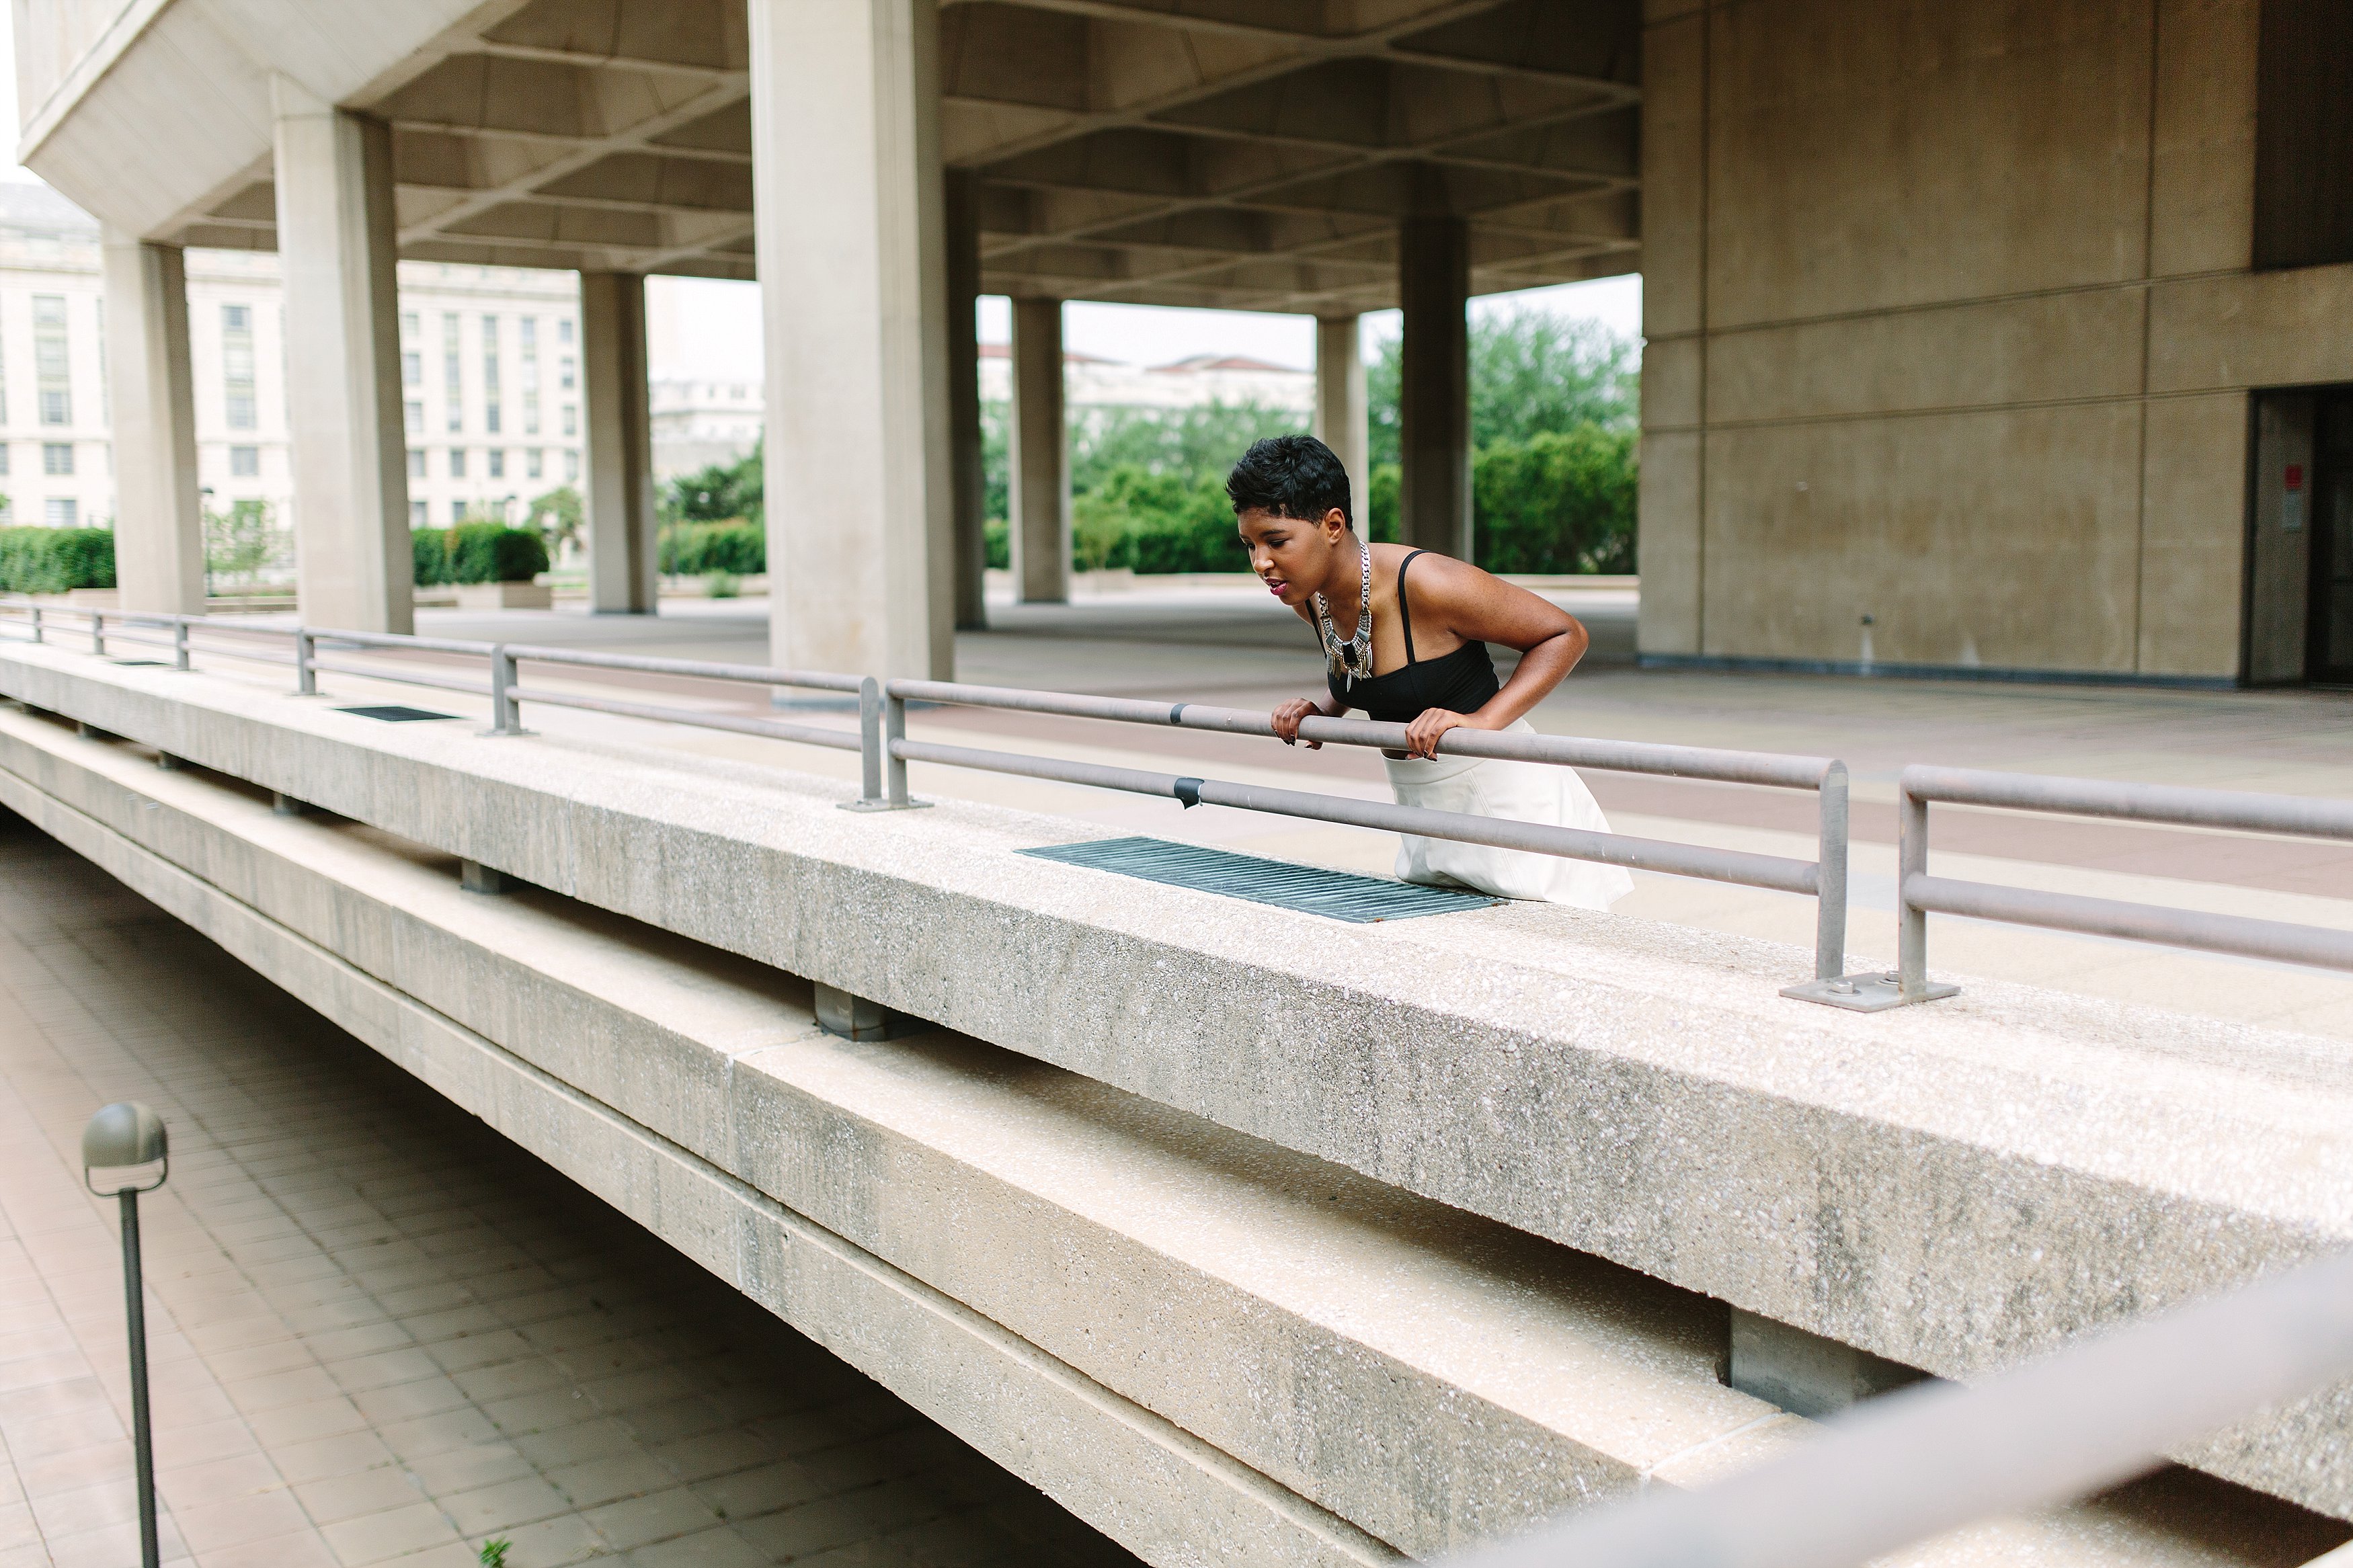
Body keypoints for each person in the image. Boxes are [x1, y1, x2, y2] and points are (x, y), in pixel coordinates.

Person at [1228, 434, 1633, 911]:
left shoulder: (1425, 583)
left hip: (1505, 803)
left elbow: (1565, 635)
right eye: (1250, 545)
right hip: (1423, 811)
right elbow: (1364, 667)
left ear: (1333, 524)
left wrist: (1481, 722)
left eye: (1275, 541)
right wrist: (1325, 707)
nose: (1261, 562)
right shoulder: (1309, 596)